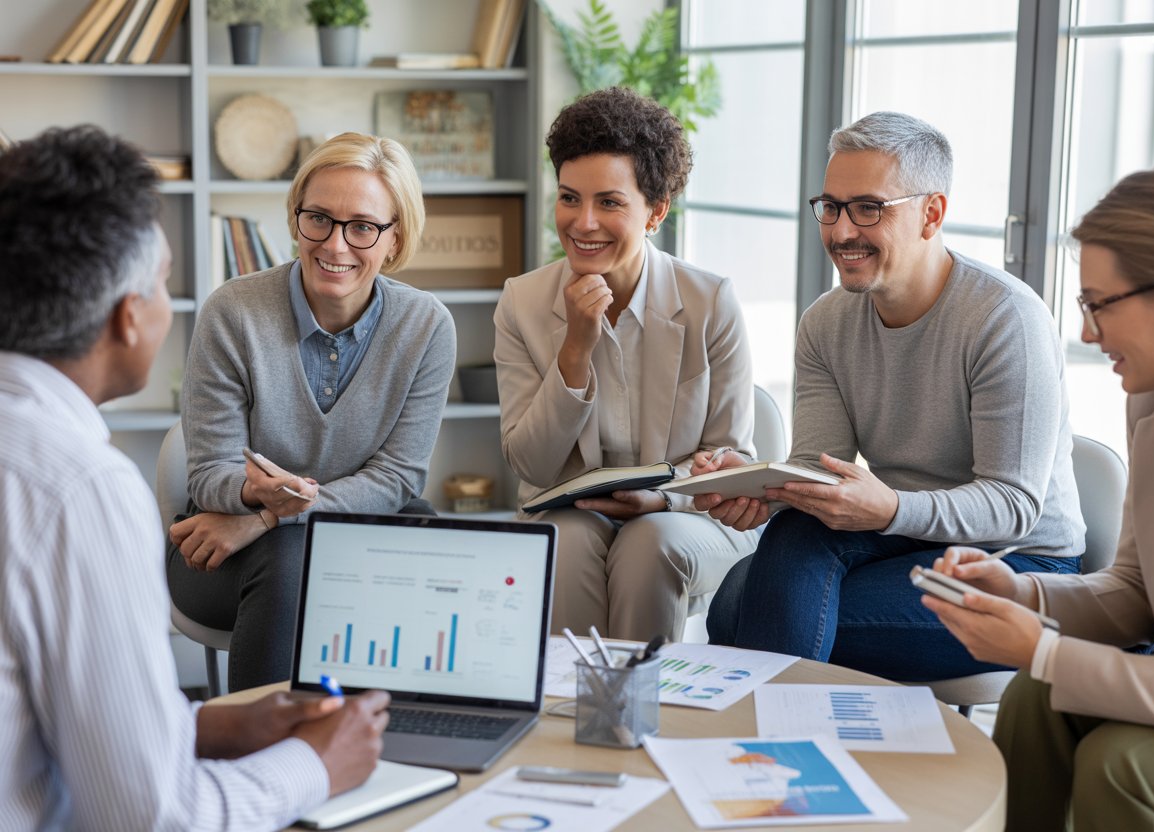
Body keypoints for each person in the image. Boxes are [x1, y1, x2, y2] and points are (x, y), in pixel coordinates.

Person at [0, 125, 390, 830]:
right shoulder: (77, 489)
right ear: (128, 318)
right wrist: (318, 765)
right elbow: (152, 817)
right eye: (163, 282)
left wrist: (201, 726)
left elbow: (30, 716)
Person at [700, 111, 1086, 681]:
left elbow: (1012, 504)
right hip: (897, 536)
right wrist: (759, 482)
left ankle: (767, 757)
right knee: (785, 543)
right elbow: (819, 470)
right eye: (830, 207)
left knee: (743, 607)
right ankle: (780, 753)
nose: (839, 231)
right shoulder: (825, 323)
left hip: (1018, 562)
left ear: (932, 214)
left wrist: (892, 508)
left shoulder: (1005, 318)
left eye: (868, 208)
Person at [924, 157, 1154, 831]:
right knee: (1034, 696)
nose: (1086, 334)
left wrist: (1046, 647)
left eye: (1098, 306)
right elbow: (1140, 590)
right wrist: (1022, 593)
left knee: (1123, 764)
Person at [167, 132, 457, 691]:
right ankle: (262, 762)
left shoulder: (427, 326)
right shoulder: (233, 311)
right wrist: (254, 501)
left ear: (394, 239)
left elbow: (398, 478)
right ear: (295, 217)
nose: (336, 244)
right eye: (318, 218)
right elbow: (209, 475)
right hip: (216, 542)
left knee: (437, 549)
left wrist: (267, 517)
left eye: (363, 226)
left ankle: (416, 741)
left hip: (265, 526)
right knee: (294, 562)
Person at [494, 86, 758, 642]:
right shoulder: (522, 301)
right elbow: (532, 467)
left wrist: (661, 498)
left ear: (655, 211)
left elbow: (732, 460)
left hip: (688, 518)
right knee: (562, 544)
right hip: (570, 514)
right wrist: (576, 347)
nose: (583, 223)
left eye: (609, 202)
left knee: (647, 545)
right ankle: (571, 716)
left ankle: (642, 713)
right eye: (569, 198)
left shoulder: (710, 302)